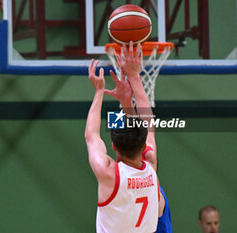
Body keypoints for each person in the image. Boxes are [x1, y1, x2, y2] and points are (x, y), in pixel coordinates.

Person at [85, 41, 162, 233]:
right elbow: (148, 126)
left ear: (113, 146)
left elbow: (91, 135)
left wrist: (99, 92)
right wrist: (135, 79)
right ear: (144, 147)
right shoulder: (151, 167)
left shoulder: (109, 173)